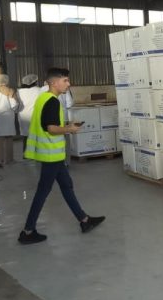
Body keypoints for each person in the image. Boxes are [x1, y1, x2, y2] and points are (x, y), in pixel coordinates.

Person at [19, 67, 105, 245]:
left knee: (66, 186)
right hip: (51, 155)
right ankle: (28, 231)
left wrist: (66, 123)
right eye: (65, 80)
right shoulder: (52, 101)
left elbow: (47, 122)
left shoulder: (43, 98)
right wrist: (69, 129)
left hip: (54, 155)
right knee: (43, 192)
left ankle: (84, 220)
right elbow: (51, 128)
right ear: (53, 82)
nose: (68, 84)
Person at [41, 79, 75, 165]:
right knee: (65, 141)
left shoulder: (42, 90)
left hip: (48, 120)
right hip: (63, 118)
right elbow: (69, 103)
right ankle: (66, 162)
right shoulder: (64, 88)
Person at [17, 74, 40, 139]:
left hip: (23, 117)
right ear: (35, 82)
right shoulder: (39, 90)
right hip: (36, 117)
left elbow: (16, 105)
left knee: (26, 136)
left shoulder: (19, 91)